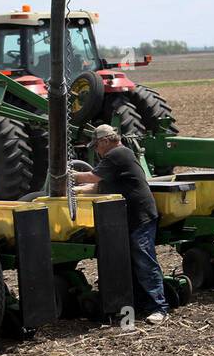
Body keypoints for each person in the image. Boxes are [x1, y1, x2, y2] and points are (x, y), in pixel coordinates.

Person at [72, 125, 170, 324]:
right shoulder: (119, 158)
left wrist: (67, 174)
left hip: (140, 216)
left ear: (105, 141)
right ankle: (142, 304)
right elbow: (97, 185)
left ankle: (159, 308)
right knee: (135, 263)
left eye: (97, 146)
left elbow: (93, 177)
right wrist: (75, 191)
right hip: (132, 217)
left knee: (144, 261)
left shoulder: (118, 154)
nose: (97, 151)